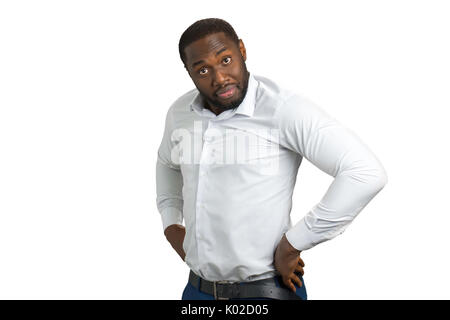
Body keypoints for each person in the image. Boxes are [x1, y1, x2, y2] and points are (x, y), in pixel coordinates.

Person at [156, 18, 387, 300]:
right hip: (197, 291)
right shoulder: (180, 112)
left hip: (267, 291)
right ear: (189, 72)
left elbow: (364, 172)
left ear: (242, 49)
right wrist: (171, 224)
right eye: (203, 69)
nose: (219, 78)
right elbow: (167, 163)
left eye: (226, 59)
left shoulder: (283, 109)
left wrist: (293, 244)